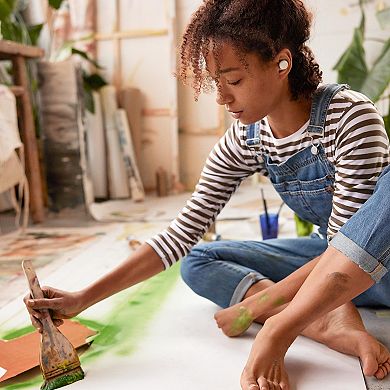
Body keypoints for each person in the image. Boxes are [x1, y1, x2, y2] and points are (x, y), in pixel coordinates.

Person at [25, 1, 390, 389]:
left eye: (232, 80)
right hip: (329, 270)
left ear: (282, 64)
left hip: (370, 267)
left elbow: (350, 249)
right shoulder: (248, 137)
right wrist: (82, 298)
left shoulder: (350, 117)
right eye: (215, 81)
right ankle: (328, 323)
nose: (221, 98)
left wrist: (261, 313)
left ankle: (289, 319)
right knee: (200, 259)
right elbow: (179, 235)